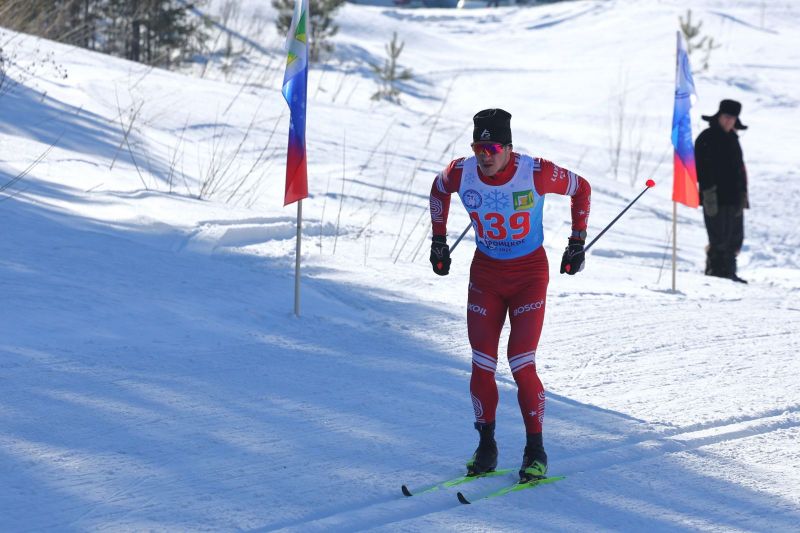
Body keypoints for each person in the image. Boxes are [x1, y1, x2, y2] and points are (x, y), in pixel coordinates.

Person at [428, 108, 591, 482]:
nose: (485, 156)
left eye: (492, 148)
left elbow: (581, 188)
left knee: (521, 361)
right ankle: (486, 446)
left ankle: (535, 450)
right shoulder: (461, 171)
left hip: (528, 275)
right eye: (478, 148)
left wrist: (576, 241)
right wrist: (438, 239)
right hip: (486, 274)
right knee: (481, 362)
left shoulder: (535, 172)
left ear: (508, 148)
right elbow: (438, 190)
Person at [695, 99, 749, 284]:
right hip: (714, 196)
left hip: (734, 196)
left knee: (735, 237)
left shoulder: (733, 138)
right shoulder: (707, 137)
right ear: (719, 116)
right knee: (718, 237)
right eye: (726, 117)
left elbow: (740, 169)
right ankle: (716, 273)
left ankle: (729, 273)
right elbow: (700, 168)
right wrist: (707, 192)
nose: (728, 121)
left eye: (732, 118)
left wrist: (743, 194)